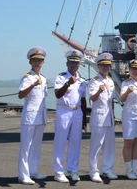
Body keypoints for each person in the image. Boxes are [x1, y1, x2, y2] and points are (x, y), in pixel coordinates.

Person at [53, 49, 87, 183]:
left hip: (77, 112)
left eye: (76, 63)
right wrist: (68, 83)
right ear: (67, 63)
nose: (74, 65)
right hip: (64, 110)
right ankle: (58, 171)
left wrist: (84, 119)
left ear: (79, 65)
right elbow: (57, 94)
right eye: (71, 63)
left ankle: (73, 169)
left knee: (75, 142)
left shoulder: (82, 81)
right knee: (60, 141)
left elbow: (83, 100)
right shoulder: (61, 77)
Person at [17, 47, 48, 185]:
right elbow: (21, 95)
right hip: (29, 117)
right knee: (26, 146)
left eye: (40, 60)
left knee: (36, 146)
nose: (37, 63)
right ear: (30, 62)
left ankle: (33, 171)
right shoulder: (27, 77)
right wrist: (33, 85)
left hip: (40, 117)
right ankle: (23, 175)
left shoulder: (44, 79)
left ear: (43, 62)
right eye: (35, 60)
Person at [88, 53, 118, 183]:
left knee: (109, 145)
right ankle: (94, 171)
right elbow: (92, 98)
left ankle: (108, 169)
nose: (105, 68)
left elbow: (111, 100)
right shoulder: (94, 81)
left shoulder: (110, 81)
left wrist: (113, 114)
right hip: (99, 117)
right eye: (103, 66)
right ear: (98, 66)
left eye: (107, 66)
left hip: (109, 117)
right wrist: (99, 91)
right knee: (96, 145)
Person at [120, 59, 137, 179]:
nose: (135, 71)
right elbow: (122, 99)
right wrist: (127, 92)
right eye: (133, 69)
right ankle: (128, 170)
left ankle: (135, 169)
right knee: (128, 142)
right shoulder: (126, 83)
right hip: (129, 116)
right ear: (129, 70)